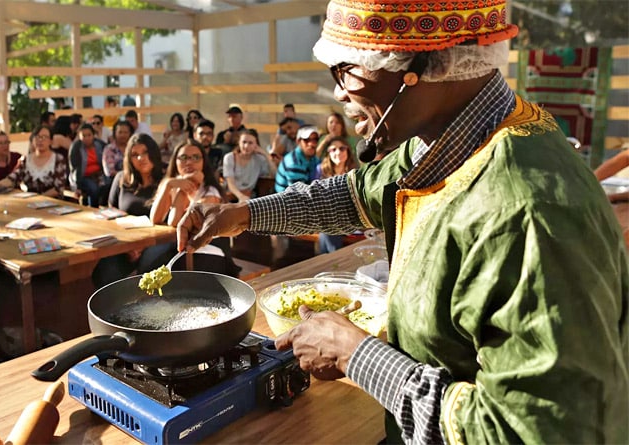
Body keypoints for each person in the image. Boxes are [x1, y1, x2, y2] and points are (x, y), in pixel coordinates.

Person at [176, 0, 628, 442]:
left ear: (426, 67)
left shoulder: (524, 216)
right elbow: (357, 192)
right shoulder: (452, 132)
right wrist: (242, 214)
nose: (338, 92)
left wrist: (358, 356)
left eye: (346, 69)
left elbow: (537, 430)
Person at [150, 139, 239, 277]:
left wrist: (186, 186)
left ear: (203, 161)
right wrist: (168, 185)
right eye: (184, 157)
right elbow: (155, 219)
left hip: (209, 251)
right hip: (180, 250)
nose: (189, 162)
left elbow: (175, 222)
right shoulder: (173, 184)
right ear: (175, 161)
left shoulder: (210, 191)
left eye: (196, 157)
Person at [91, 134, 167, 288]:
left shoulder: (166, 180)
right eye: (135, 155)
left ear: (154, 152)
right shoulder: (121, 179)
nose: (141, 158)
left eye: (145, 152)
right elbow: (111, 215)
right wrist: (127, 246)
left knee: (148, 267)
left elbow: (169, 221)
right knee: (103, 274)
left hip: (157, 241)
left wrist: (142, 245)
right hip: (125, 243)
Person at [0, 125, 67, 198]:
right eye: (37, 137)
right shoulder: (26, 160)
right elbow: (13, 178)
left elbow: (58, 188)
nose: (40, 140)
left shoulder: (58, 160)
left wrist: (39, 198)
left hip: (54, 204)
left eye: (44, 137)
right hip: (31, 203)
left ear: (51, 141)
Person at [314, 136, 358, 253]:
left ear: (348, 150)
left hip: (350, 218)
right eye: (333, 149)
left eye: (342, 148)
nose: (338, 152)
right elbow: (315, 198)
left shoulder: (354, 172)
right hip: (328, 218)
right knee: (329, 225)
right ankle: (332, 260)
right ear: (328, 153)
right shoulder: (321, 171)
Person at [223, 130, 276, 202]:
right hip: (232, 196)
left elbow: (274, 174)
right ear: (239, 142)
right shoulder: (230, 157)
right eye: (244, 142)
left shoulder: (259, 159)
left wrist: (265, 154)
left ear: (256, 145)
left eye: (250, 143)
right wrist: (241, 196)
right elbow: (230, 183)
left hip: (250, 197)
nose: (246, 146)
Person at [69, 123, 106, 207]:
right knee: (94, 189)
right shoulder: (76, 147)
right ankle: (93, 208)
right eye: (84, 136)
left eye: (89, 135)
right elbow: (74, 168)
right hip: (83, 176)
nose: (87, 138)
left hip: (99, 174)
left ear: (93, 135)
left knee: (107, 185)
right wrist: (76, 185)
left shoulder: (99, 145)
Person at [274, 126, 320, 192]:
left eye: (315, 139)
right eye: (306, 140)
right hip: (287, 200)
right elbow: (299, 194)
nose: (311, 143)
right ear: (298, 141)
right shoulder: (293, 162)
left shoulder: (314, 159)